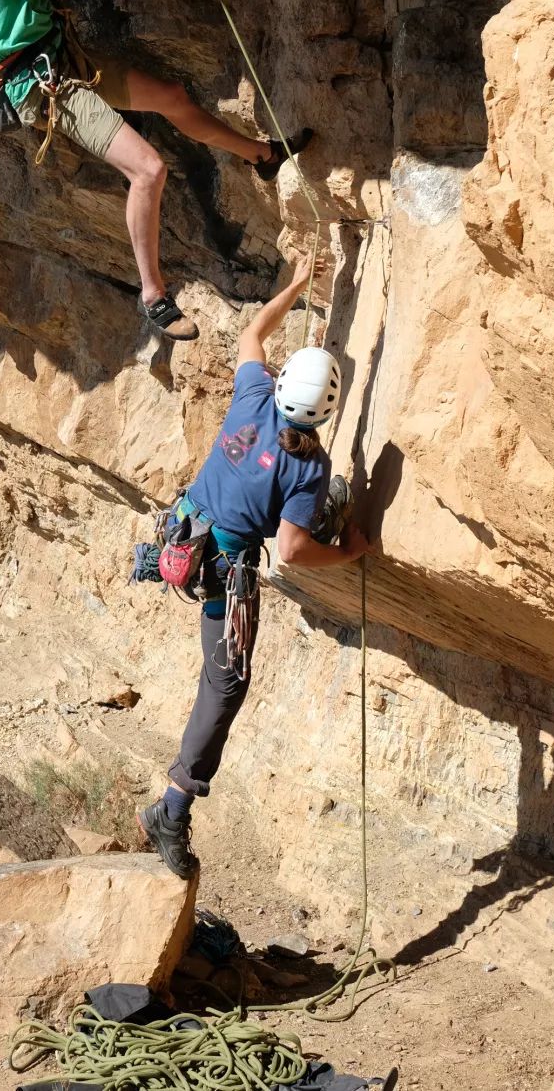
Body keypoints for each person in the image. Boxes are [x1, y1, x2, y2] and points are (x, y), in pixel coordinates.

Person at [0, 0, 313, 343]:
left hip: (63, 62)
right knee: (149, 168)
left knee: (170, 96)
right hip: (48, 84)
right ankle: (153, 296)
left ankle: (263, 156)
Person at [137, 252, 372, 879]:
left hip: (184, 534)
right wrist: (348, 552)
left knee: (220, 681)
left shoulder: (252, 398)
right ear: (326, 413)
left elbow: (250, 336)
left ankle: (171, 806)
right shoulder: (309, 468)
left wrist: (294, 285)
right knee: (226, 685)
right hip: (225, 572)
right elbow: (292, 551)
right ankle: (171, 809)